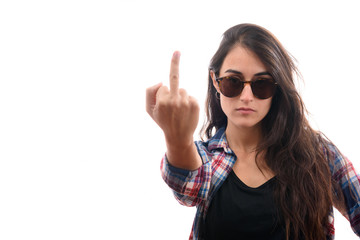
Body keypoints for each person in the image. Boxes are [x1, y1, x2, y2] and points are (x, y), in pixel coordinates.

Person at [145, 23, 360, 240]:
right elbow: (187, 186)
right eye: (233, 82)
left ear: (277, 88)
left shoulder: (319, 154)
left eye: (262, 84)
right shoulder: (208, 160)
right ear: (215, 81)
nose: (246, 97)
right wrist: (177, 139)